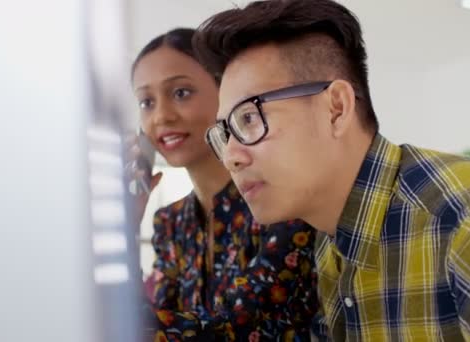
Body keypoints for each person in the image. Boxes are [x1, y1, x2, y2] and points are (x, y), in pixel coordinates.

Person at [193, 0, 470, 340]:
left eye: (249, 118)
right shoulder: (329, 242)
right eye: (223, 134)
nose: (231, 157)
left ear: (336, 109)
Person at [131, 28, 325, 341]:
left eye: (180, 93)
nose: (161, 116)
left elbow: (229, 329)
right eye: (146, 102)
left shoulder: (282, 204)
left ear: (227, 93)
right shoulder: (169, 221)